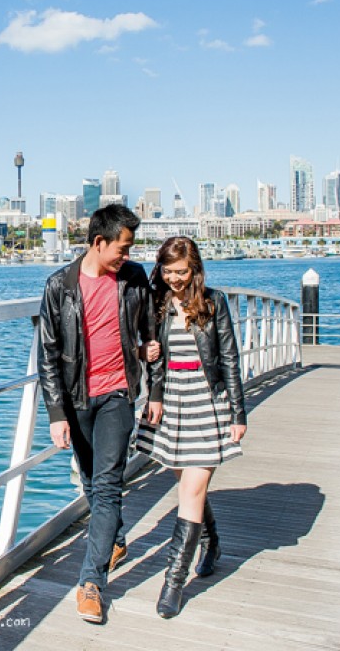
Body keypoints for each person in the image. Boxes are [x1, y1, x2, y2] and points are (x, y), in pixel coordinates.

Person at [37, 204, 158, 624]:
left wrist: (155, 385)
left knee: (107, 486)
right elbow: (48, 354)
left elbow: (152, 337)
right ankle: (115, 539)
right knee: (90, 480)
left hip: (117, 395)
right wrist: (56, 413)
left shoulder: (135, 278)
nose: (128, 255)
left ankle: (91, 582)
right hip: (76, 400)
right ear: (98, 242)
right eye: (123, 248)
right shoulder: (60, 286)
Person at [136, 235, 246, 619]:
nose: (174, 279)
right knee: (188, 487)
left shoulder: (214, 303)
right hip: (172, 401)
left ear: (195, 269)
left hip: (207, 399)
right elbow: (152, 358)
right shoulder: (157, 302)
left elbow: (229, 358)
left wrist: (238, 414)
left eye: (181, 272)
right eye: (168, 271)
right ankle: (211, 542)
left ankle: (174, 582)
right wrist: (148, 371)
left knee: (192, 488)